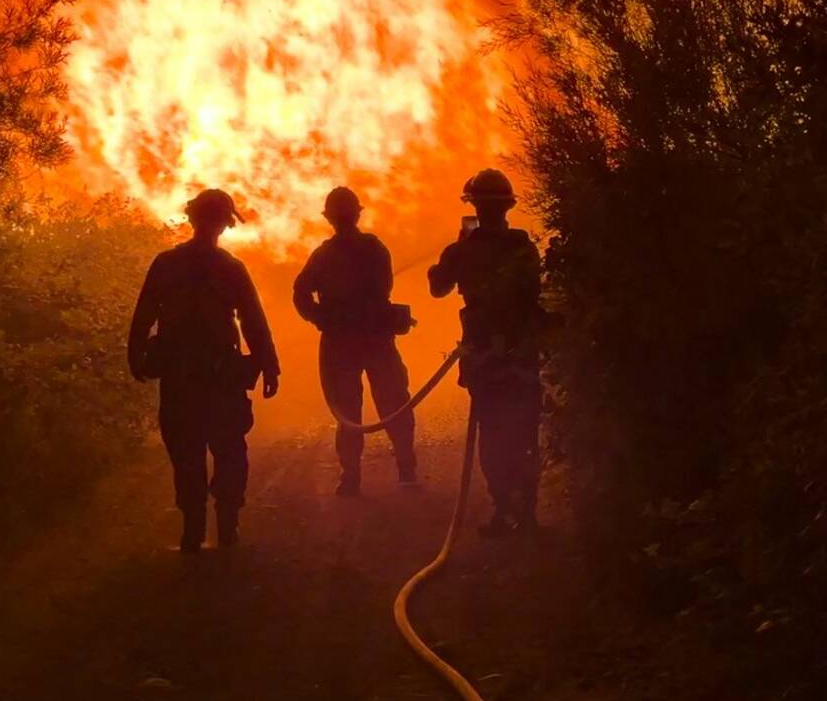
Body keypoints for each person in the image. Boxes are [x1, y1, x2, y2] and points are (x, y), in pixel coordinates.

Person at [127, 188, 280, 553]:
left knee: (186, 453)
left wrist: (135, 354)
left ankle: (193, 530)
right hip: (220, 379)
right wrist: (269, 365)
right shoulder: (230, 269)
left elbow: (144, 315)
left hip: (180, 380)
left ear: (192, 218)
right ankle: (227, 526)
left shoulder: (166, 263)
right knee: (228, 451)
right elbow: (254, 322)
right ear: (226, 224)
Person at [428, 169, 542, 536]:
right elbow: (534, 293)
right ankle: (527, 513)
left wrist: (457, 248)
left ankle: (503, 510)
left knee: (492, 433)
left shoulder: (462, 250)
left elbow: (437, 288)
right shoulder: (523, 247)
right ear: (508, 207)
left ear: (474, 206)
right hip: (521, 354)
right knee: (525, 433)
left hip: (483, 358)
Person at [293, 186, 416, 496]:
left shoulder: (325, 256)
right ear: (357, 215)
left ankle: (353, 477)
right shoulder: (373, 249)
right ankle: (403, 469)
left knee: (353, 410)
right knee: (388, 402)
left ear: (329, 219)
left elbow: (300, 293)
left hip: (348, 342)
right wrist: (322, 317)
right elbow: (384, 285)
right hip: (371, 339)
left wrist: (321, 317)